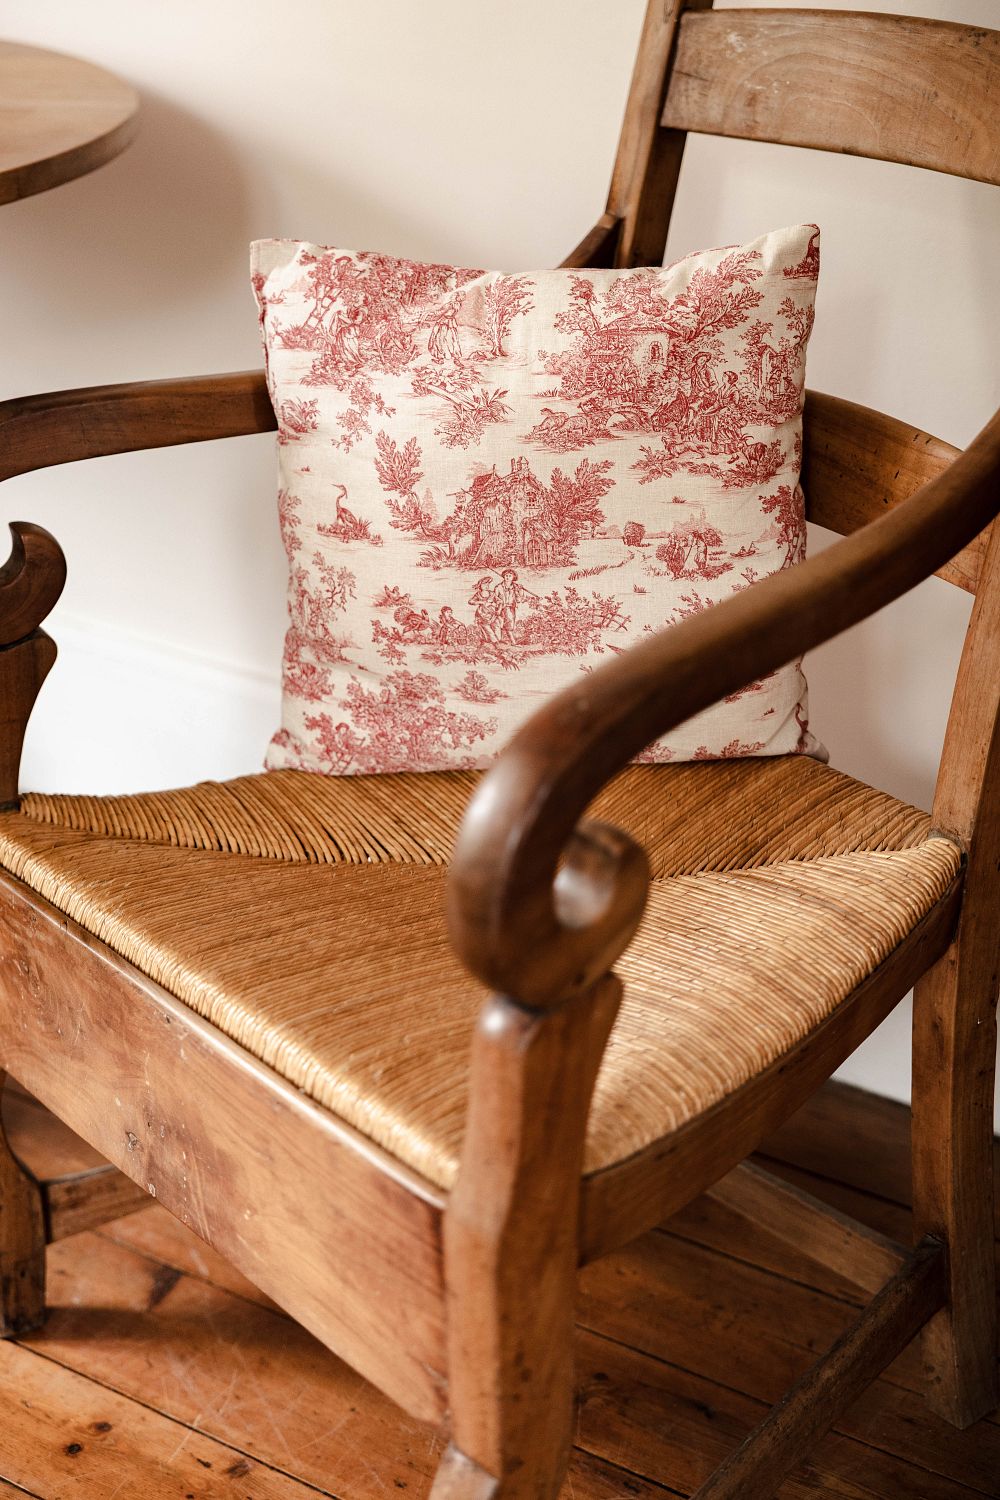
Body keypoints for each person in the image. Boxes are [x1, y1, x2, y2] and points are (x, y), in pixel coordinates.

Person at [496, 569, 539, 645]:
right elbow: (495, 598)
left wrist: (520, 590)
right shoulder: (498, 587)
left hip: (511, 608)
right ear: (503, 576)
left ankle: (502, 640)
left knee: (507, 624)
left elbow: (519, 600)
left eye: (510, 576)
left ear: (513, 577)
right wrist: (499, 605)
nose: (508, 577)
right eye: (506, 576)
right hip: (501, 608)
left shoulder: (515, 587)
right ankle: (512, 642)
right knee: (506, 624)